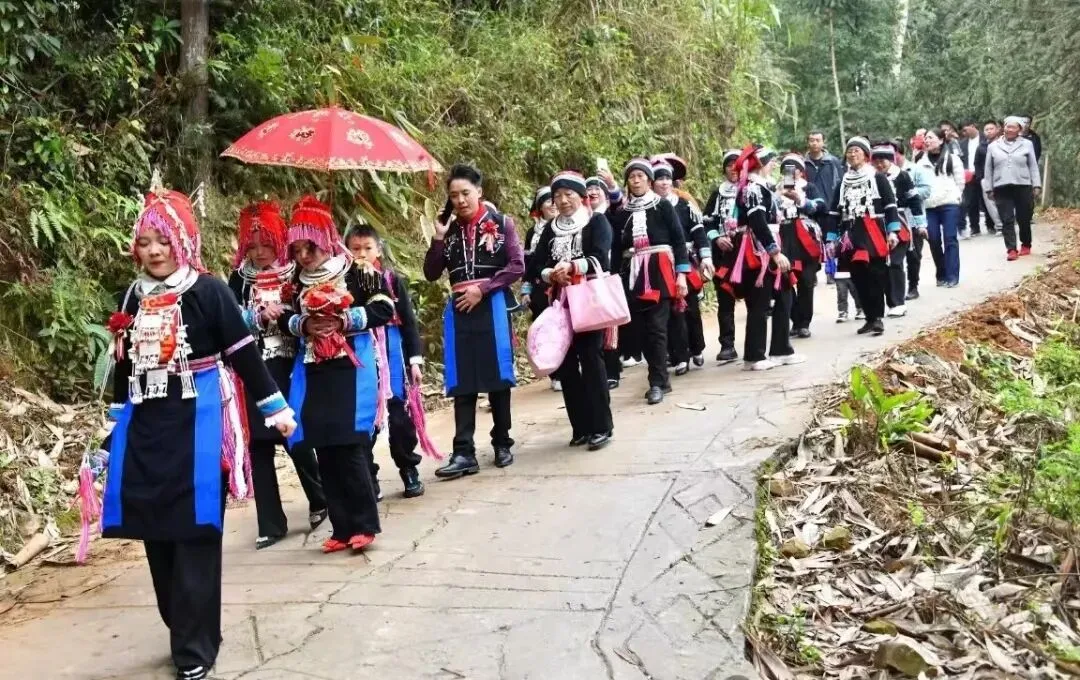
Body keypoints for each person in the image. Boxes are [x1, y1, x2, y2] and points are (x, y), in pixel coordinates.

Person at [101, 181, 297, 680]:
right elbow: (124, 365)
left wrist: (274, 407)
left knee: (194, 529)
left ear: (184, 240)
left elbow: (243, 353)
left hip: (200, 423)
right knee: (155, 529)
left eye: (163, 241)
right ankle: (184, 625)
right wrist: (112, 427)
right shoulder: (133, 295)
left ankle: (195, 646)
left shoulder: (208, 291)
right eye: (145, 242)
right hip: (145, 426)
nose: (154, 251)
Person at [280, 196, 393, 555]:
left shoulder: (358, 271)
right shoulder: (295, 282)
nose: (303, 255)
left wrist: (344, 320)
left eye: (309, 247)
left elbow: (384, 308)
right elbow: (284, 318)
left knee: (349, 444)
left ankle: (364, 524)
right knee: (323, 445)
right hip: (313, 369)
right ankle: (341, 527)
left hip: (351, 367)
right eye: (297, 249)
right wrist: (304, 324)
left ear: (325, 240)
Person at [228, 201, 327, 550]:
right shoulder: (239, 279)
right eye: (252, 246)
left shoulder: (295, 273)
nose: (259, 252)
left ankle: (320, 499)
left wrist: (286, 315)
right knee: (258, 444)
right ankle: (270, 522)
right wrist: (255, 316)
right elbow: (228, 320)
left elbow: (308, 309)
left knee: (293, 435)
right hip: (253, 367)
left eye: (266, 244)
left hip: (289, 364)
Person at [424, 164, 524, 476]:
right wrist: (438, 238)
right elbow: (431, 273)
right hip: (459, 308)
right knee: (462, 380)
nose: (460, 200)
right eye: (454, 195)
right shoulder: (449, 231)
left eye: (465, 193)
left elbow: (517, 266)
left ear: (479, 191)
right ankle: (463, 452)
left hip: (491, 305)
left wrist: (483, 289)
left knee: (498, 376)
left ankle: (502, 442)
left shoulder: (502, 223)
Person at [527, 171, 614, 450]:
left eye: (569, 194)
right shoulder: (550, 229)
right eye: (558, 196)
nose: (563, 201)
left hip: (587, 300)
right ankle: (580, 427)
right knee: (565, 364)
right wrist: (551, 273)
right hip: (559, 303)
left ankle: (601, 426)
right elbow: (536, 265)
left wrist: (574, 266)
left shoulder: (596, 221)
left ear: (581, 196)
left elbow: (601, 257)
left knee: (591, 359)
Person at [345, 225, 426, 499]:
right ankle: (369, 477)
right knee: (365, 418)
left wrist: (414, 361)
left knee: (400, 418)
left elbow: (409, 323)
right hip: (363, 356)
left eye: (368, 248)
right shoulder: (343, 282)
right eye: (355, 249)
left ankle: (409, 469)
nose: (362, 254)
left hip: (393, 358)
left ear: (378, 250)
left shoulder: (390, 279)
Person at [609, 158, 690, 404]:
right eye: (632, 177)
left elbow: (678, 240)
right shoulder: (622, 213)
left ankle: (657, 382)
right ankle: (660, 379)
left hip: (659, 270)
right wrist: (612, 280)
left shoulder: (662, 206)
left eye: (640, 177)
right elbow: (616, 248)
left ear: (649, 180)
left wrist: (682, 274)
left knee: (656, 328)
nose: (636, 181)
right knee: (640, 330)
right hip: (632, 273)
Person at [725, 145, 803, 370]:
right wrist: (774, 252)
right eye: (770, 162)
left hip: (769, 245)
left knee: (785, 296)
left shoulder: (761, 187)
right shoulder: (752, 189)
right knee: (759, 302)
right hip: (758, 250)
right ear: (761, 164)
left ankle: (781, 349)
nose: (774, 165)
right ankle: (754, 355)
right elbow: (758, 222)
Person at [826, 137, 902, 337]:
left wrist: (893, 231)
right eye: (849, 151)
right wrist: (831, 238)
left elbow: (890, 205)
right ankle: (869, 317)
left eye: (856, 151)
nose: (852, 155)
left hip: (873, 230)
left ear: (866, 155)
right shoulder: (843, 182)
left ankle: (877, 318)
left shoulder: (877, 178)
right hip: (851, 232)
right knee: (858, 277)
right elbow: (834, 212)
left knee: (876, 274)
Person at [652, 157, 712, 373]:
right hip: (661, 263)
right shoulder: (649, 207)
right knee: (671, 311)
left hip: (685, 260)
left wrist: (706, 257)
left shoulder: (685, 204)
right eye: (659, 179)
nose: (664, 182)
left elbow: (699, 232)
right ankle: (680, 356)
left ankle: (697, 348)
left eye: (667, 178)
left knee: (691, 308)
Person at [870, 143, 926, 317]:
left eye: (883, 161)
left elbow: (914, 200)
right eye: (876, 161)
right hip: (876, 224)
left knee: (895, 262)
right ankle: (885, 302)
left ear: (891, 160)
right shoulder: (870, 177)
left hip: (900, 222)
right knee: (881, 265)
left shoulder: (902, 176)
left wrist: (920, 224)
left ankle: (898, 302)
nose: (879, 165)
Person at [775, 154, 827, 338]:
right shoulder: (775, 189)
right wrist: (778, 196)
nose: (791, 172)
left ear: (801, 170)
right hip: (783, 235)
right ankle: (795, 320)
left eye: (794, 168)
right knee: (785, 279)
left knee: (806, 280)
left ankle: (804, 322)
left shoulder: (809, 187)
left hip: (805, 237)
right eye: (786, 168)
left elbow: (822, 207)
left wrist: (800, 200)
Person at [589, 173, 629, 389]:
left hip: (612, 276)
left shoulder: (613, 215)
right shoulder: (582, 220)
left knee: (610, 325)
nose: (593, 192)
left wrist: (612, 185)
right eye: (589, 189)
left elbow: (619, 204)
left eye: (598, 189)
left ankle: (612, 371)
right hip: (588, 280)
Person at [702, 150, 742, 364]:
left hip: (746, 251)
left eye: (737, 164)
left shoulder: (752, 189)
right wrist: (716, 238)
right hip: (723, 253)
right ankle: (727, 345)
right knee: (725, 298)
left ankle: (756, 345)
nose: (733, 169)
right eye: (729, 165)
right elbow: (706, 222)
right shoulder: (717, 193)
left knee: (755, 298)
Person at [521, 186, 562, 393]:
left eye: (555, 201)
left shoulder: (565, 226)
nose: (553, 205)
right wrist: (526, 289)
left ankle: (570, 369)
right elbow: (528, 264)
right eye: (548, 201)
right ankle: (556, 374)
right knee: (546, 330)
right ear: (540, 207)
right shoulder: (532, 233)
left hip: (561, 283)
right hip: (540, 287)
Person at [985, 116, 1042, 260]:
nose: (1009, 129)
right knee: (1007, 219)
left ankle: (1026, 244)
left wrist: (1036, 185)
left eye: (1013, 127)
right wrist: (988, 188)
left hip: (1022, 184)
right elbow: (988, 169)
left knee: (1024, 217)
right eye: (1007, 126)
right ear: (1003, 128)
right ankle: (1011, 249)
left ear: (1019, 130)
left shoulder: (1027, 144)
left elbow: (1033, 166)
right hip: (1001, 185)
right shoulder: (993, 146)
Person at [915, 128, 964, 288]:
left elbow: (960, 181)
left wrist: (956, 196)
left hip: (949, 204)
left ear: (941, 140)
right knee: (933, 240)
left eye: (931, 137)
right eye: (926, 138)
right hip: (929, 206)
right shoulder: (920, 162)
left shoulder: (952, 159)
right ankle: (941, 273)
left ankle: (952, 276)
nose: (927, 141)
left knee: (950, 239)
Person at [959, 120, 986, 236]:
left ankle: (991, 224)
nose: (964, 133)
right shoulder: (962, 144)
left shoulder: (985, 139)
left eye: (965, 130)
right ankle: (974, 227)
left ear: (973, 126)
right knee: (971, 202)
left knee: (986, 200)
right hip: (969, 175)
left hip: (983, 174)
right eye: (962, 131)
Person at [978, 120, 1002, 233]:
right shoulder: (981, 147)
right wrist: (981, 178)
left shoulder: (1004, 143)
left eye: (991, 129)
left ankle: (1008, 223)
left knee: (1004, 200)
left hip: (1002, 177)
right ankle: (999, 225)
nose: (989, 131)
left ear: (997, 130)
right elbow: (977, 163)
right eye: (986, 129)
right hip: (986, 179)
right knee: (990, 203)